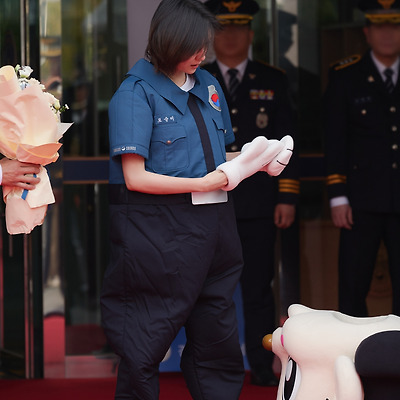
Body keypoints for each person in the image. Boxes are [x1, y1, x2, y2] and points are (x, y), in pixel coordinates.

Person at [99, 0, 291, 398]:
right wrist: (206, 183)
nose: (203, 54)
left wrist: (259, 157)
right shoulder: (135, 93)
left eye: (205, 44)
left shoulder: (207, 84)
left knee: (218, 339)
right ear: (168, 42)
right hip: (158, 234)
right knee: (143, 341)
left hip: (217, 231)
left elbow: (221, 158)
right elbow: (135, 178)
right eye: (194, 46)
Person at [203, 0, 300, 387]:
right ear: (212, 35)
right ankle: (213, 365)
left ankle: (262, 367)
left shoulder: (273, 79)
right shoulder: (198, 77)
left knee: (259, 287)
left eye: (240, 27)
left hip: (260, 204)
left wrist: (287, 196)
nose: (231, 35)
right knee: (212, 289)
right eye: (224, 28)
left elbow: (291, 140)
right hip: (210, 200)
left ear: (251, 34)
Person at [324, 0, 400, 318]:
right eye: (379, 26)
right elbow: (335, 139)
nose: (387, 34)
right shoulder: (346, 75)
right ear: (367, 32)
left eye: (394, 25)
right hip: (359, 201)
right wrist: (338, 196)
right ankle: (354, 364)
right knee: (353, 288)